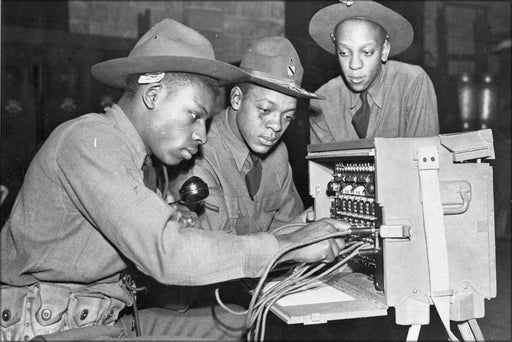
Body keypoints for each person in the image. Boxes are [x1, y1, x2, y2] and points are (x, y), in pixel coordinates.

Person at [0, 19, 349, 341]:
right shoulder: (89, 140)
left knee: (247, 323)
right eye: (195, 115)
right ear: (153, 96)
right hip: (53, 330)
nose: (202, 134)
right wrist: (287, 246)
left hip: (104, 319)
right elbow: (167, 254)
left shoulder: (143, 162)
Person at [169, 36, 323, 235]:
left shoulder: (278, 154)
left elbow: (289, 227)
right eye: (266, 110)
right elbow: (218, 252)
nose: (277, 126)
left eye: (288, 117)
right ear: (236, 99)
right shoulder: (198, 155)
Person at [308, 0, 439, 144]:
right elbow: (323, 165)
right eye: (344, 53)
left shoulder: (412, 83)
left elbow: (425, 157)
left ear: (384, 50)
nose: (354, 65)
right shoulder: (323, 101)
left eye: (366, 52)